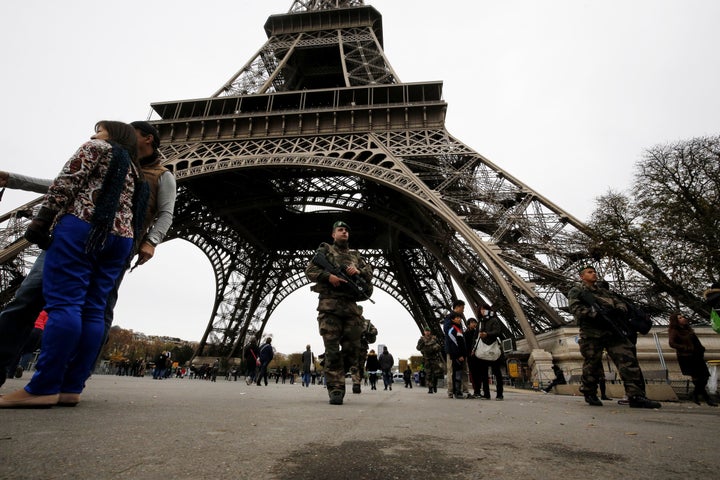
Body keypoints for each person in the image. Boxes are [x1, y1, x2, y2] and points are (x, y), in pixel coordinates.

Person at [0, 120, 175, 389]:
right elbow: (65, 182)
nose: (94, 135)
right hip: (95, 239)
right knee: (31, 297)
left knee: (93, 309)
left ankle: (69, 379)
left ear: (148, 138)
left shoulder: (157, 174)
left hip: (94, 238)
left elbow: (66, 184)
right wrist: (14, 179)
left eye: (100, 130)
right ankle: (52, 378)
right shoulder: (121, 160)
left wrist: (151, 241)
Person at [567, 265, 660, 408]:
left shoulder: (604, 291)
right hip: (592, 332)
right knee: (592, 364)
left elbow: (620, 303)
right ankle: (589, 391)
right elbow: (575, 309)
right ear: (582, 276)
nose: (594, 274)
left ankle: (636, 395)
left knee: (627, 360)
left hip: (612, 330)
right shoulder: (577, 291)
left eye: (594, 271)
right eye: (589, 272)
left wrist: (618, 310)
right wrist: (596, 315)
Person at [304, 220, 374, 405]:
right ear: (333, 234)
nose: (344, 232)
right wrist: (329, 277)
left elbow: (369, 276)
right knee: (333, 349)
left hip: (351, 309)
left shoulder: (356, 256)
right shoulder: (325, 250)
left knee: (353, 349)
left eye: (346, 230)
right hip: (330, 307)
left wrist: (357, 271)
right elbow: (310, 270)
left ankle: (332, 367)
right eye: (340, 230)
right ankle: (336, 387)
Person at [668, 312, 718, 406]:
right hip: (686, 356)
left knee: (704, 376)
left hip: (696, 355)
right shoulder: (674, 331)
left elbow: (696, 341)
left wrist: (701, 349)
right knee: (697, 377)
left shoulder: (688, 329)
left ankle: (695, 394)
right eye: (680, 318)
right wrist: (684, 347)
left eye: (683, 317)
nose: (683, 318)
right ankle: (707, 398)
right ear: (676, 321)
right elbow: (671, 343)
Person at [476, 306, 505, 400]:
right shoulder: (480, 322)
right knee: (484, 374)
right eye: (481, 309)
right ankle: (486, 394)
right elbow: (475, 337)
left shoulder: (494, 320)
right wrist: (473, 349)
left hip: (492, 349)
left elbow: (498, 332)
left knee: (496, 372)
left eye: (484, 309)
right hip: (483, 349)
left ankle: (499, 394)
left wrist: (487, 334)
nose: (482, 311)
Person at [443, 300, 471, 398]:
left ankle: (462, 390)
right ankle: (452, 391)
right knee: (453, 371)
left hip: (459, 350)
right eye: (462, 308)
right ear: (457, 307)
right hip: (453, 350)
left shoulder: (458, 320)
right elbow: (449, 333)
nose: (463, 310)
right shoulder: (451, 318)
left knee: (461, 371)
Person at [445, 312, 467, 399]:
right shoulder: (453, 329)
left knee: (458, 373)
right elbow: (453, 343)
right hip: (457, 356)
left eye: (460, 318)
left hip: (460, 355)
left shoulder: (458, 328)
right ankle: (457, 392)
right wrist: (459, 355)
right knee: (457, 373)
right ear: (452, 319)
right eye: (457, 318)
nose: (459, 319)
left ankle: (457, 391)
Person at [416, 328, 443, 394]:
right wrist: (422, 343)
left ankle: (434, 385)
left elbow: (440, 347)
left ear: (430, 332)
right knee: (428, 374)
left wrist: (435, 347)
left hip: (434, 358)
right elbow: (418, 348)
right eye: (426, 331)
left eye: (428, 331)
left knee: (436, 373)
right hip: (426, 359)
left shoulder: (434, 339)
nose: (427, 332)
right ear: (424, 332)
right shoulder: (421, 340)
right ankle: (430, 388)